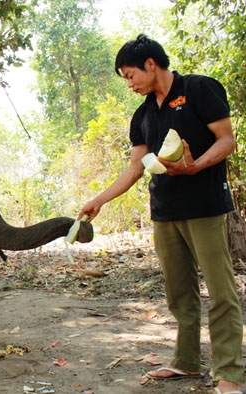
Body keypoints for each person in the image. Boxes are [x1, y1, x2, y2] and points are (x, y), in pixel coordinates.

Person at [79, 34, 244, 394]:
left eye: (130, 74)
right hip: (165, 212)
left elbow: (227, 139)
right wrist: (99, 200)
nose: (130, 83)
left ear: (151, 63)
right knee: (179, 294)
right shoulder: (142, 115)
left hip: (205, 208)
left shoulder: (199, 89)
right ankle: (186, 362)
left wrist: (196, 165)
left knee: (221, 292)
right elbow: (136, 167)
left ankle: (229, 373)